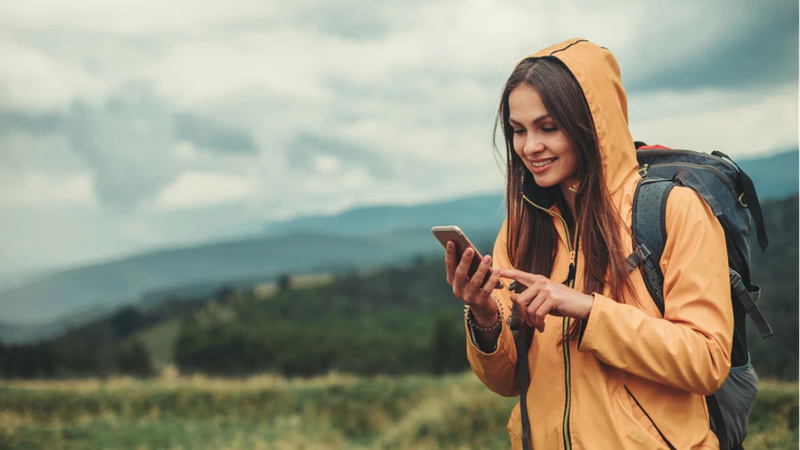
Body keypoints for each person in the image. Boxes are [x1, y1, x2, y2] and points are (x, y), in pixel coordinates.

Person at [444, 38, 733, 449]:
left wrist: (588, 310)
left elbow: (707, 361)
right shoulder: (520, 229)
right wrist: (485, 315)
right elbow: (509, 382)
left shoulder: (673, 211)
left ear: (591, 124)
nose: (529, 147)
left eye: (548, 127)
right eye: (517, 130)